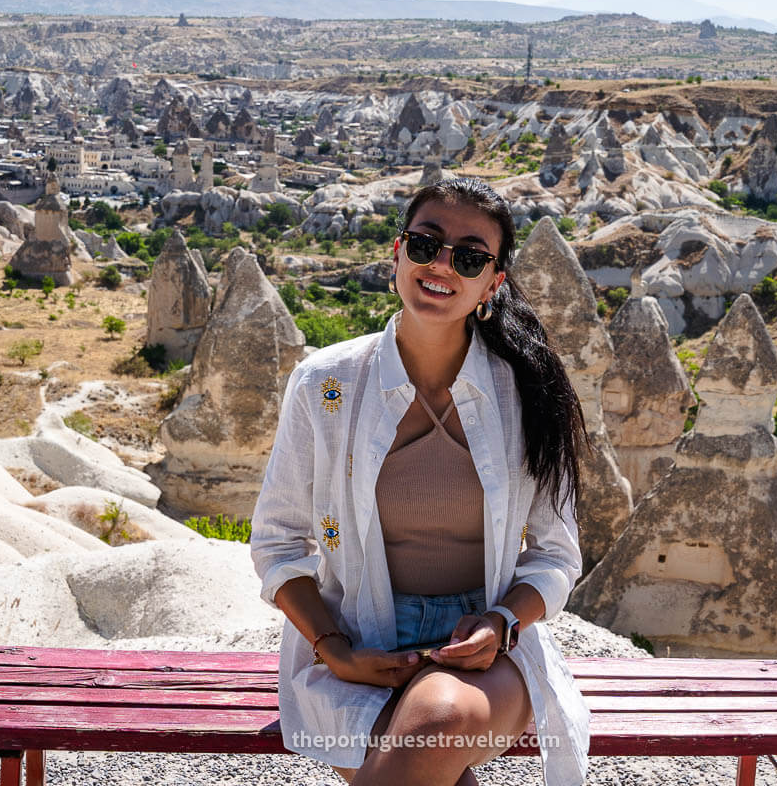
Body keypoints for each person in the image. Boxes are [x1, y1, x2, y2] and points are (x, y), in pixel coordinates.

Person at [250, 177, 591, 786]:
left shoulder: (527, 396)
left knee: (435, 719)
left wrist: (500, 624)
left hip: (487, 654)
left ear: (493, 283)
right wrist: (336, 650)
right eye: (425, 243)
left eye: (468, 257)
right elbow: (277, 543)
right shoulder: (323, 386)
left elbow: (556, 555)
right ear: (397, 254)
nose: (441, 266)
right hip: (359, 643)